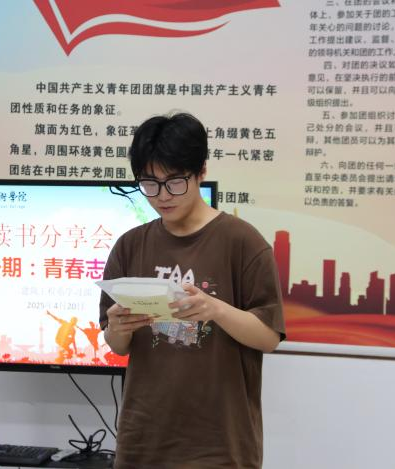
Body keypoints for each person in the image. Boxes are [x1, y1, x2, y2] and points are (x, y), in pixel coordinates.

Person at [99, 112, 286, 468]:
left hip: (219, 446)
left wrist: (216, 310)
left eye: (174, 182)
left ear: (201, 171)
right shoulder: (130, 246)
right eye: (150, 183)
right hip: (143, 441)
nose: (162, 196)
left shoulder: (243, 242)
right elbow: (118, 346)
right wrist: (118, 328)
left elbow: (269, 338)